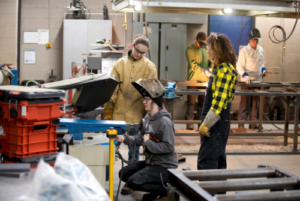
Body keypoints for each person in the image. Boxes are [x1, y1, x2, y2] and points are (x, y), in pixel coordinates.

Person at [103, 34, 158, 193]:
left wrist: (151, 116)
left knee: (134, 151)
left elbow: (153, 94)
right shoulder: (120, 64)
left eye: (142, 53)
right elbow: (112, 88)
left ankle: (130, 182)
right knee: (112, 147)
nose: (138, 54)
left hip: (137, 115)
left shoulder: (149, 67)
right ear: (132, 45)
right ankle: (106, 176)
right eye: (137, 50)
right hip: (119, 114)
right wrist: (108, 110)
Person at [116, 78, 178, 201]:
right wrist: (123, 138)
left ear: (155, 102)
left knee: (134, 182)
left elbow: (169, 147)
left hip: (164, 166)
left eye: (147, 99)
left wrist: (148, 143)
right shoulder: (147, 118)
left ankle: (168, 192)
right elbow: (140, 138)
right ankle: (155, 192)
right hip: (151, 162)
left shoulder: (165, 122)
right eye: (144, 99)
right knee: (123, 173)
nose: (144, 102)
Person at [198, 33, 237, 172]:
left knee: (207, 161)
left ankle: (207, 193)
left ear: (219, 50)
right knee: (218, 159)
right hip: (219, 123)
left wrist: (206, 124)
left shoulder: (224, 70)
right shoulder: (220, 69)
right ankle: (217, 192)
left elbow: (219, 103)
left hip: (216, 124)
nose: (208, 51)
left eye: (210, 48)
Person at [236, 28, 267, 128]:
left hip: (258, 80)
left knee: (255, 103)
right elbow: (239, 66)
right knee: (244, 103)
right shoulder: (244, 51)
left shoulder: (261, 50)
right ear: (249, 39)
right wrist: (244, 74)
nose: (255, 42)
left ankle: (253, 123)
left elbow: (261, 62)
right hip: (247, 81)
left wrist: (263, 68)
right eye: (254, 40)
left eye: (257, 40)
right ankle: (241, 124)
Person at [185, 32, 211, 130]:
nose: (202, 46)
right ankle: (189, 123)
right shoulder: (189, 49)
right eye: (201, 43)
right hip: (193, 80)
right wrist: (202, 70)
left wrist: (211, 68)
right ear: (196, 39)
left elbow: (211, 61)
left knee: (203, 103)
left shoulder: (206, 49)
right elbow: (193, 64)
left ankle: (201, 123)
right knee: (191, 102)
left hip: (204, 81)